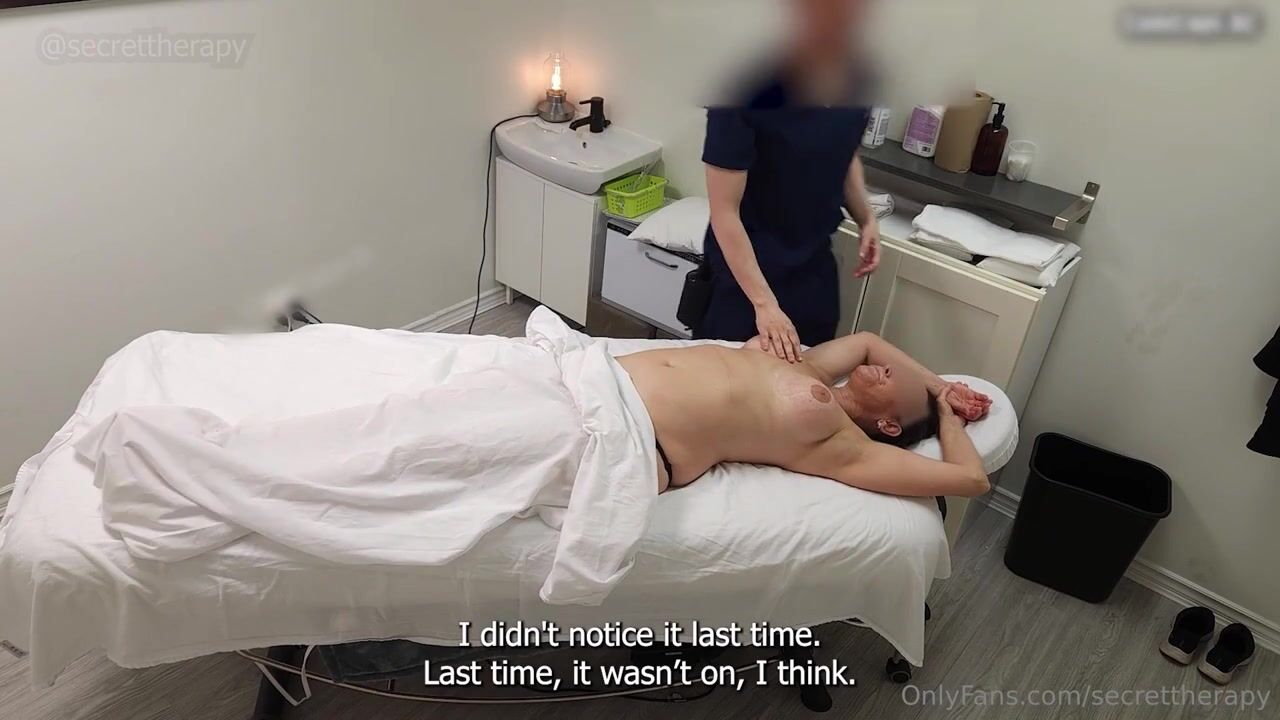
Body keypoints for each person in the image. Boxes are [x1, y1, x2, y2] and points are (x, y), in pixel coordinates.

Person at [698, 0, 883, 362]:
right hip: (747, 278)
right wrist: (764, 305)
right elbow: (725, 212)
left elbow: (843, 153)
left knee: (809, 380)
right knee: (734, 387)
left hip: (813, 272)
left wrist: (867, 218)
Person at [617, 329, 992, 497]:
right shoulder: (814, 367)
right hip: (607, 378)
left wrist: (945, 413)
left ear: (890, 425)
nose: (893, 368)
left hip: (640, 438)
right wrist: (940, 385)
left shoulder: (844, 445)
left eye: (905, 383)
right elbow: (868, 342)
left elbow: (972, 479)